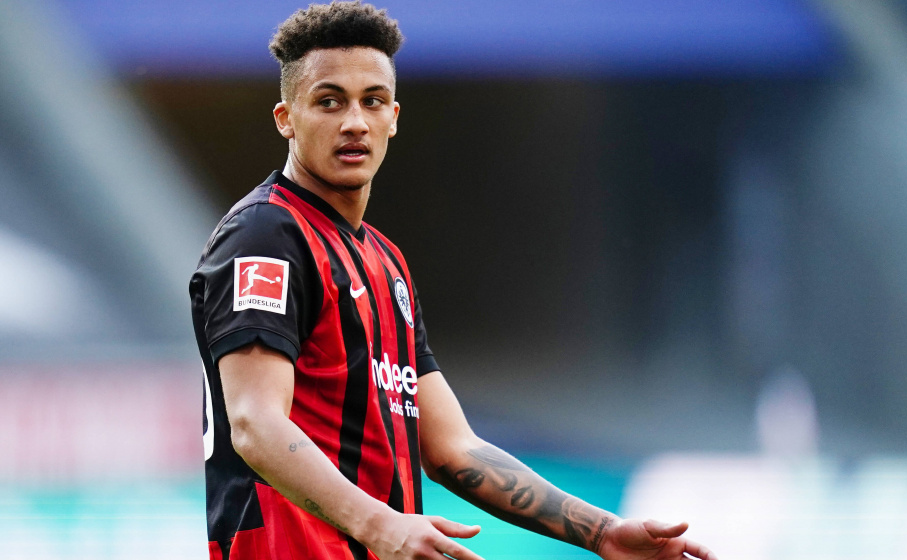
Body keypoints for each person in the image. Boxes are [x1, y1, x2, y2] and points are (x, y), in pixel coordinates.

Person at [189, 2, 719, 560]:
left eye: (372, 101)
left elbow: (453, 449)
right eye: (329, 101)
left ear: (394, 117)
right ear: (286, 118)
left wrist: (602, 532)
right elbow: (255, 423)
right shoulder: (266, 235)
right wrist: (381, 525)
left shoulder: (386, 262)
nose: (355, 122)